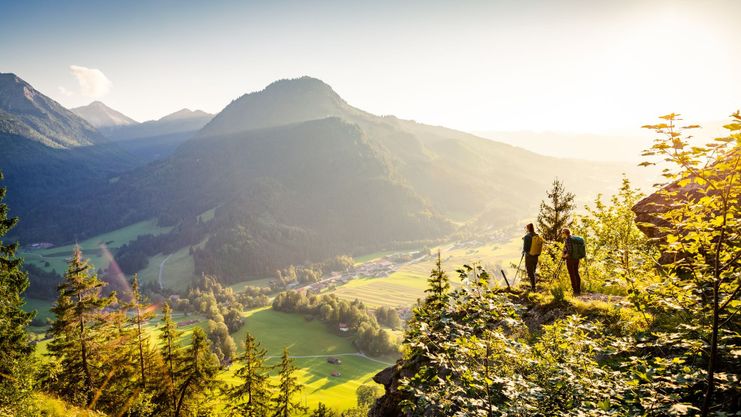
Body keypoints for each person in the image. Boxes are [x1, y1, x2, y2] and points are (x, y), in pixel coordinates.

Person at [561, 228, 581, 295]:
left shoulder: (568, 239)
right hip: (576, 258)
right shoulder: (574, 238)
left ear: (565, 233)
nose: (562, 234)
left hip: (570, 259)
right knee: (576, 273)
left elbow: (569, 251)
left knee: (572, 274)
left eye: (562, 233)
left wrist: (564, 256)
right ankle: (578, 289)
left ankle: (575, 291)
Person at [522, 223, 542, 290]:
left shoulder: (527, 236)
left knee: (530, 272)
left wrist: (523, 252)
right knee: (533, 271)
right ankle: (533, 285)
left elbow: (526, 248)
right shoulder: (536, 235)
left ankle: (533, 287)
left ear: (528, 228)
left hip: (529, 256)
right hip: (536, 256)